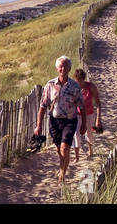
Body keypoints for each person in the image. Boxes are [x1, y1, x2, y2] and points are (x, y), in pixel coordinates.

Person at [34, 55, 87, 185]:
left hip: (70, 121)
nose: (63, 68)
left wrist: (84, 124)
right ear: (57, 68)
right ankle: (62, 165)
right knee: (59, 149)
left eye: (65, 66)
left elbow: (82, 106)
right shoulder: (50, 85)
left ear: (69, 68)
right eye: (60, 66)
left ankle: (62, 176)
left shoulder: (75, 86)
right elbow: (43, 106)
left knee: (64, 148)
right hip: (54, 122)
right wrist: (38, 125)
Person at [72, 69, 102, 162]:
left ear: (83, 80)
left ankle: (91, 150)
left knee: (89, 133)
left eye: (80, 81)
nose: (78, 83)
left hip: (89, 114)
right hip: (77, 114)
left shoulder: (91, 87)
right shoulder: (74, 88)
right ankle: (77, 156)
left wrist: (98, 118)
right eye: (77, 81)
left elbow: (98, 103)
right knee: (76, 133)